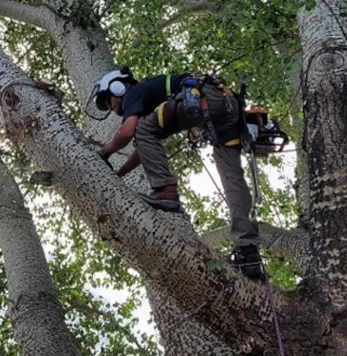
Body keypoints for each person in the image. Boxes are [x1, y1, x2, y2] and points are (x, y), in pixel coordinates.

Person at [91, 68, 263, 277]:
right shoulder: (147, 111)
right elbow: (140, 151)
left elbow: (127, 132)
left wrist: (103, 153)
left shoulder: (134, 93)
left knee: (143, 128)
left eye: (109, 101)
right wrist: (118, 175)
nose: (113, 107)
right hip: (227, 108)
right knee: (232, 179)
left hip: (202, 98)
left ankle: (165, 190)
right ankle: (248, 250)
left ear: (118, 87)